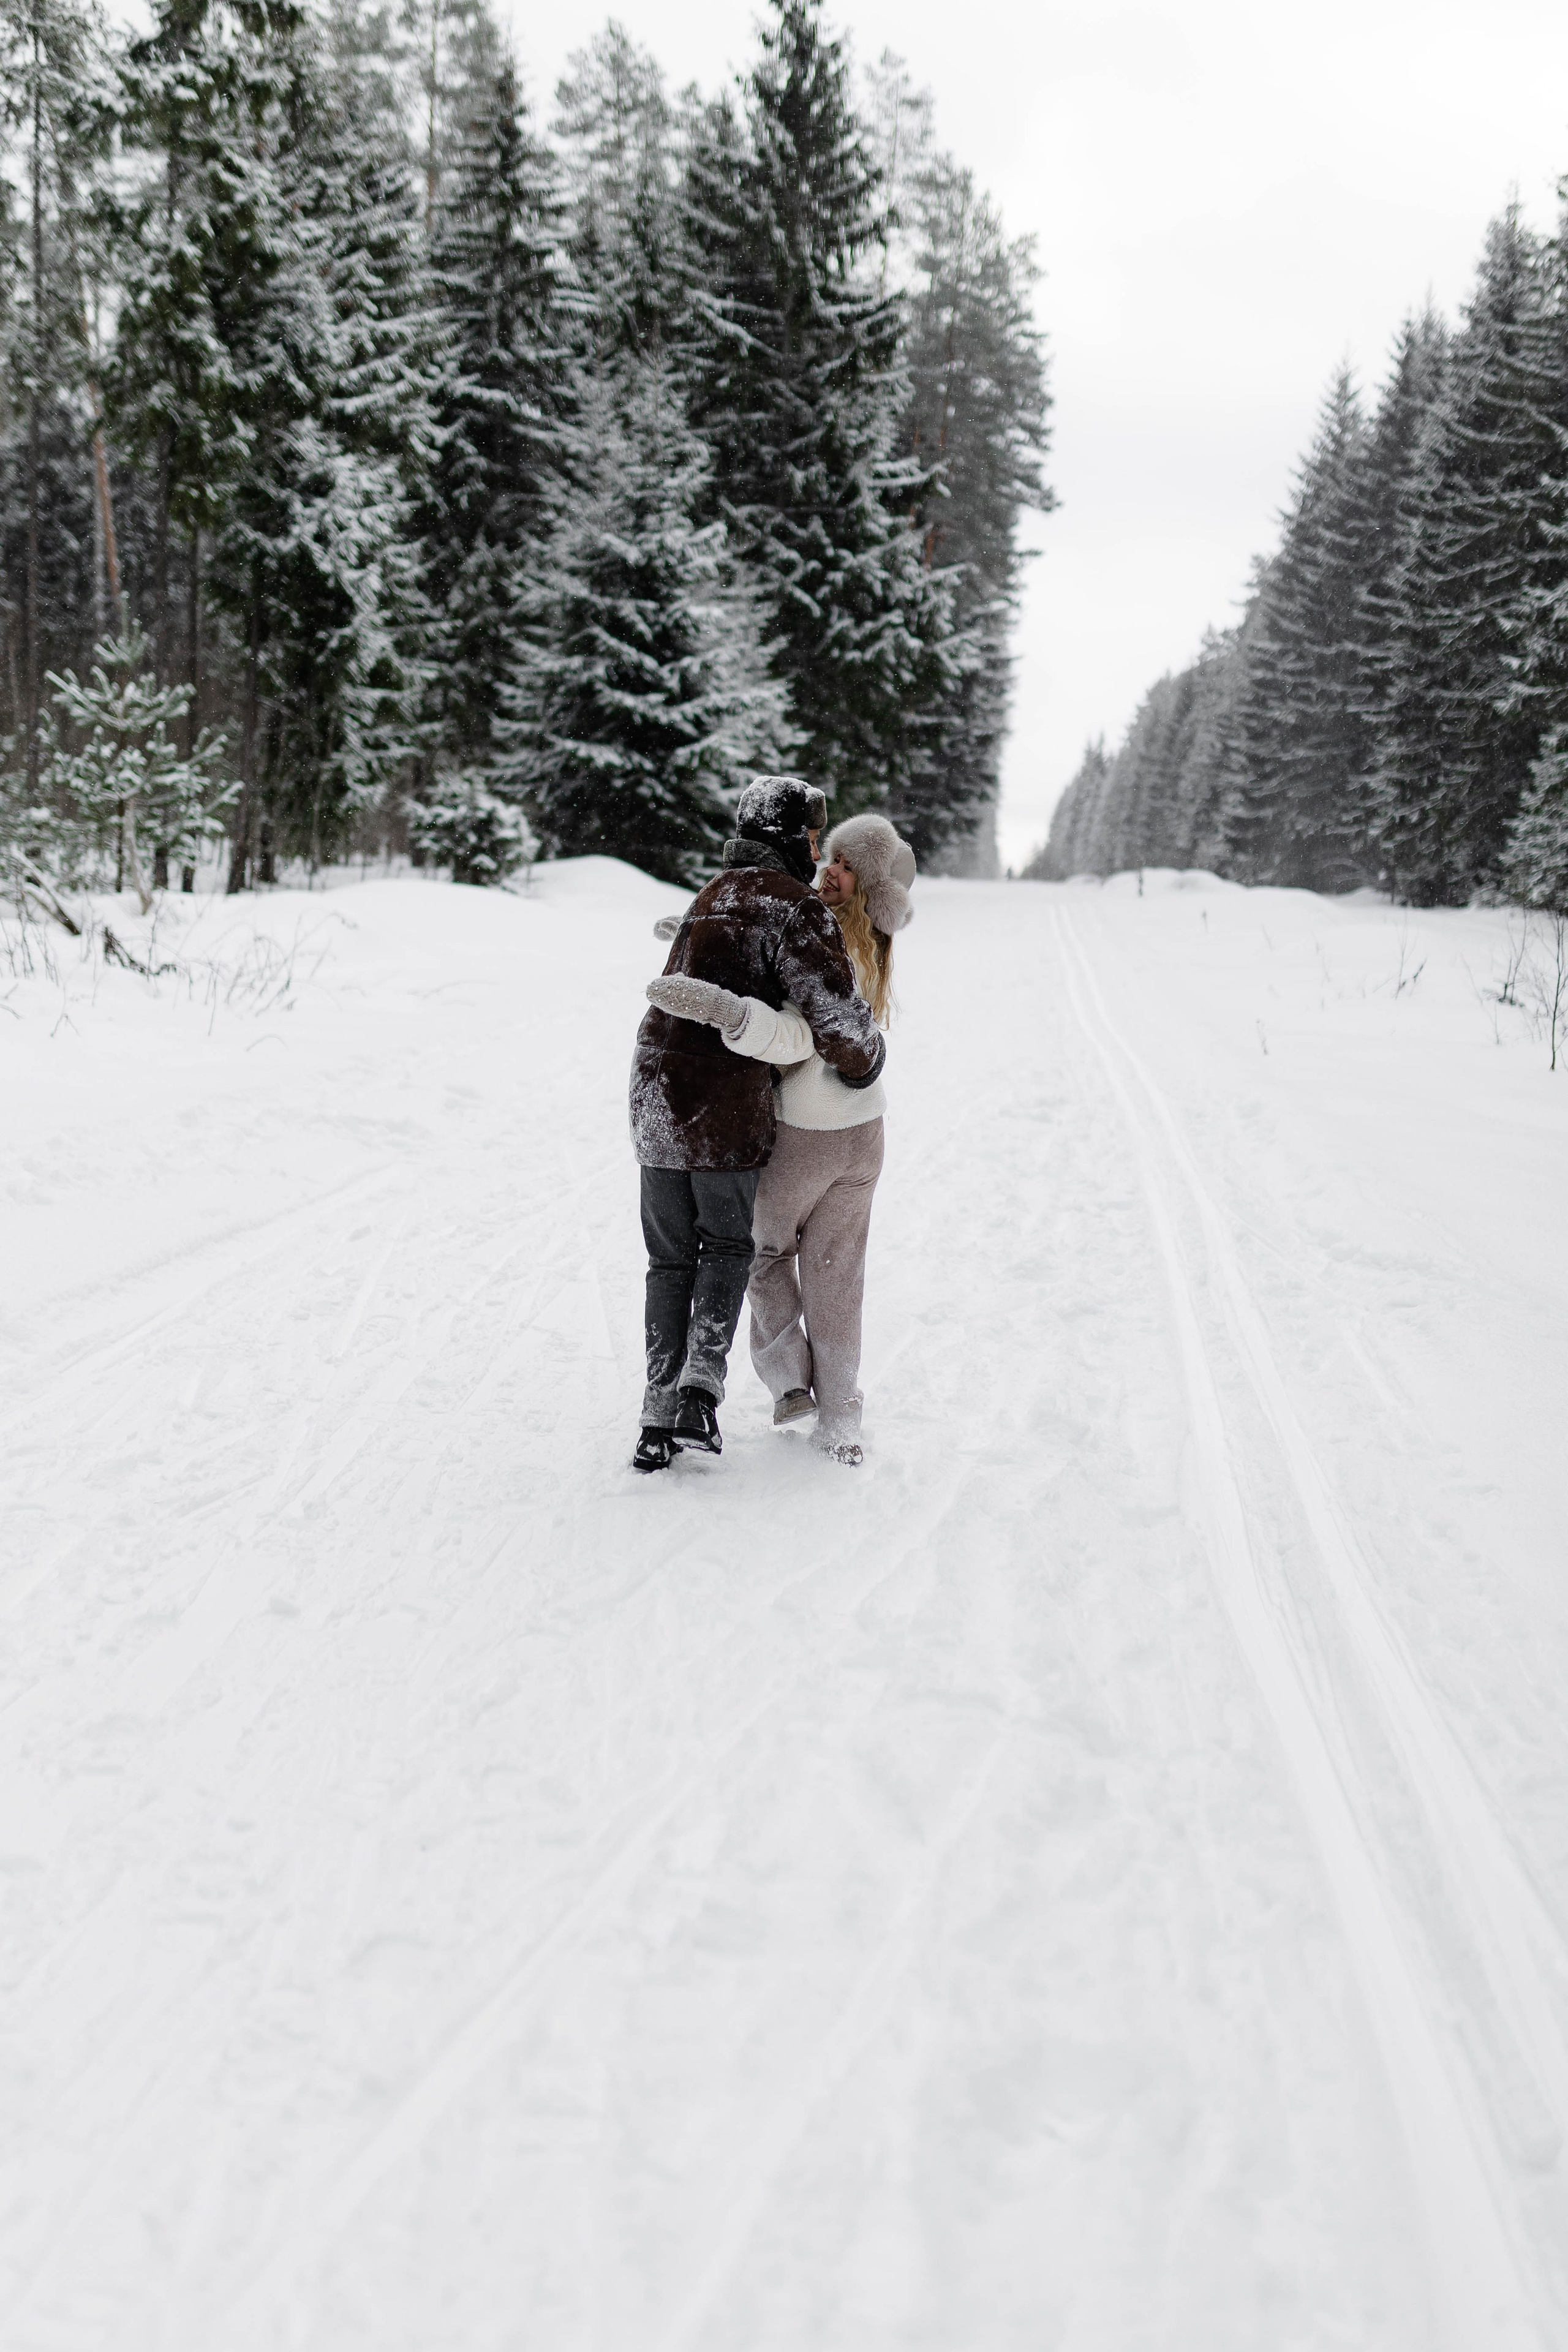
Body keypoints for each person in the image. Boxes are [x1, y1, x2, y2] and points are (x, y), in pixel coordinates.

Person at [628, 777, 885, 1474]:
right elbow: (838, 1021)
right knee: (726, 1246)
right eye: (813, 838)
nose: (816, 853)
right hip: (721, 1105)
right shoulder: (795, 905)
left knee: (668, 1260)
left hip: (653, 1092)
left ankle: (655, 1418)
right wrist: (868, 1062)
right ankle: (698, 1394)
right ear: (791, 837)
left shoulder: (711, 891)